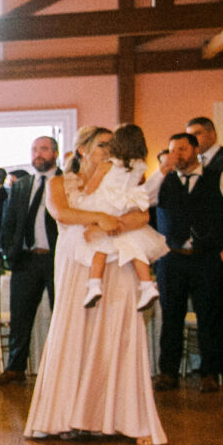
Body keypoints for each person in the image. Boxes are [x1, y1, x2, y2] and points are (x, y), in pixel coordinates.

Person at [23, 126, 166, 445]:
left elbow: (142, 216)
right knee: (74, 333)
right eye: (103, 144)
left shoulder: (124, 177)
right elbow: (63, 212)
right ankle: (64, 416)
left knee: (121, 334)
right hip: (77, 264)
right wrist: (102, 217)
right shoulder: (60, 182)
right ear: (84, 149)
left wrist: (107, 226)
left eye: (112, 145)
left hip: (117, 261)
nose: (109, 150)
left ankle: (130, 421)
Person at [151, 131, 223, 391]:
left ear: (195, 150)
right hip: (172, 259)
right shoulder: (162, 181)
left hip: (208, 258)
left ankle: (209, 373)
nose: (176, 155)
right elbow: (141, 203)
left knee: (210, 316)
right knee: (171, 317)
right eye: (172, 150)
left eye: (182, 149)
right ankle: (167, 372)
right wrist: (160, 172)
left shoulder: (219, 178)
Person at [0, 136, 61, 386]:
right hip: (26, 260)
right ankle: (14, 369)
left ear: (54, 153)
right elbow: (7, 222)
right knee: (20, 316)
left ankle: (60, 370)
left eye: (43, 149)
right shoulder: (22, 185)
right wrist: (8, 252)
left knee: (61, 315)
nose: (38, 154)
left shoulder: (67, 182)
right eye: (34, 149)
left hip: (57, 259)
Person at [76, 125, 166, 311]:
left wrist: (84, 196)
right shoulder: (140, 165)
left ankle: (94, 284)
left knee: (98, 246)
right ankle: (147, 285)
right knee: (133, 245)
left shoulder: (107, 165)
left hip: (105, 204)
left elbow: (92, 187)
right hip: (126, 204)